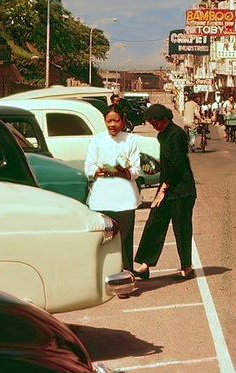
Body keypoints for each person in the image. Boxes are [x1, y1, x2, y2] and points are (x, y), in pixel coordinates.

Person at [133, 104, 197, 281]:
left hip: (182, 189)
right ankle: (145, 264)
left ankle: (187, 266)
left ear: (165, 119)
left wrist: (164, 187)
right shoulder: (162, 135)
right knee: (155, 222)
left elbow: (177, 164)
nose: (154, 127)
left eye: (155, 123)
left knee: (182, 228)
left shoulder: (177, 135)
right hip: (167, 187)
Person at [84, 105, 142, 294]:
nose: (113, 124)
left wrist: (125, 172)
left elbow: (136, 170)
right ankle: (102, 279)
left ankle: (124, 283)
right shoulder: (97, 140)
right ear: (104, 121)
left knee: (124, 241)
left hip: (125, 199)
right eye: (109, 121)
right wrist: (97, 171)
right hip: (102, 198)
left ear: (123, 121)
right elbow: (88, 166)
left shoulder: (130, 140)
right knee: (104, 240)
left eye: (116, 120)